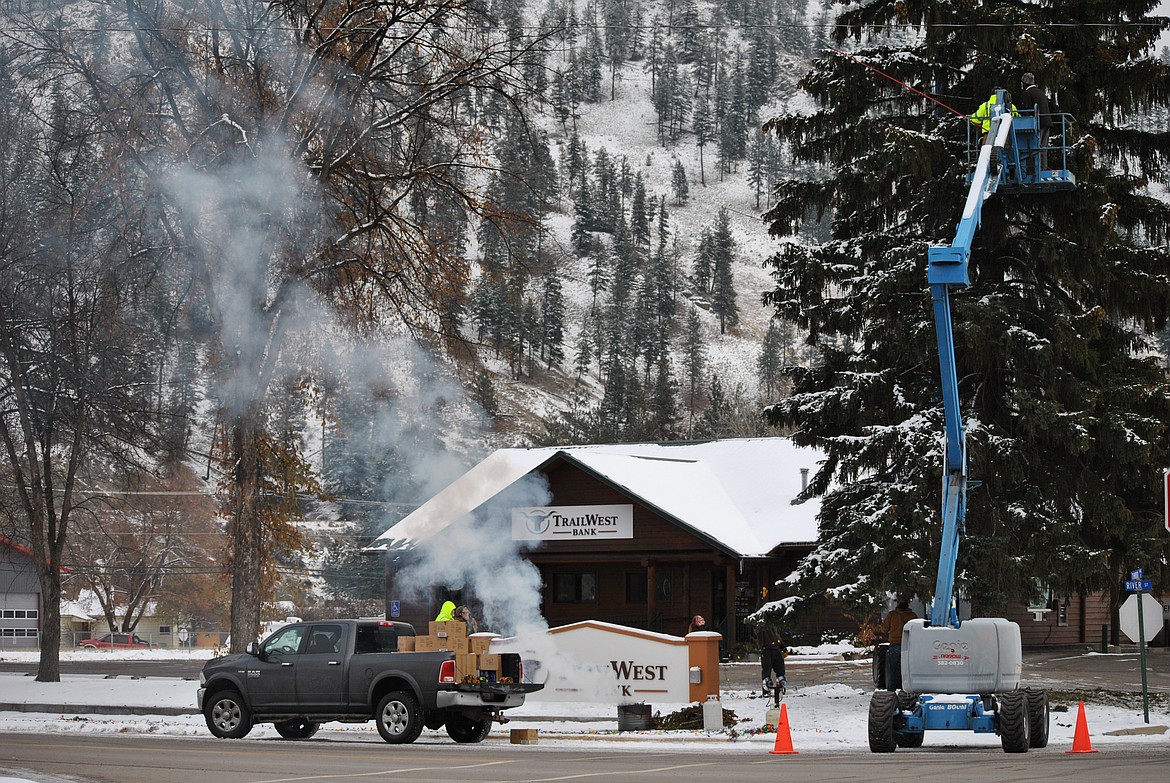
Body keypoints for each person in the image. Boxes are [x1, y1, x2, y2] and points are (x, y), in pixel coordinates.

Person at [879, 599, 918, 691]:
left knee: (893, 669)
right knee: (909, 669)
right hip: (909, 645)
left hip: (895, 644)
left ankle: (892, 690)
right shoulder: (913, 616)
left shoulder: (892, 615)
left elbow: (884, 629)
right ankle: (906, 689)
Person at [1017, 72, 1052, 172]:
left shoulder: (1027, 94)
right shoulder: (1040, 93)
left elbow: (1027, 111)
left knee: (1034, 148)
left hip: (1037, 124)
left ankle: (1034, 169)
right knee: (1043, 147)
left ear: (1025, 83)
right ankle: (1043, 168)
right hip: (1046, 122)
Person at [755, 615, 786, 695]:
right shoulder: (761, 624)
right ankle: (766, 690)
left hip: (776, 648)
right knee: (767, 671)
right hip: (767, 649)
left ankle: (780, 686)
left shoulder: (772, 624)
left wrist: (781, 645)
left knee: (780, 670)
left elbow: (776, 636)